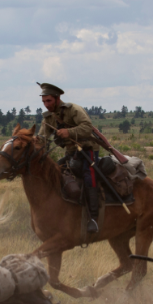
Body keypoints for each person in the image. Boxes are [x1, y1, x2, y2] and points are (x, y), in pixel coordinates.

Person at [36, 82, 102, 233]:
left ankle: (93, 219)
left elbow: (87, 127)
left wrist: (69, 132)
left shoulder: (74, 110)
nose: (46, 105)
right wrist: (33, 142)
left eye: (49, 101)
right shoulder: (48, 118)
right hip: (71, 153)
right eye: (44, 102)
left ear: (57, 98)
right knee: (54, 172)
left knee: (89, 176)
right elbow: (41, 138)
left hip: (88, 149)